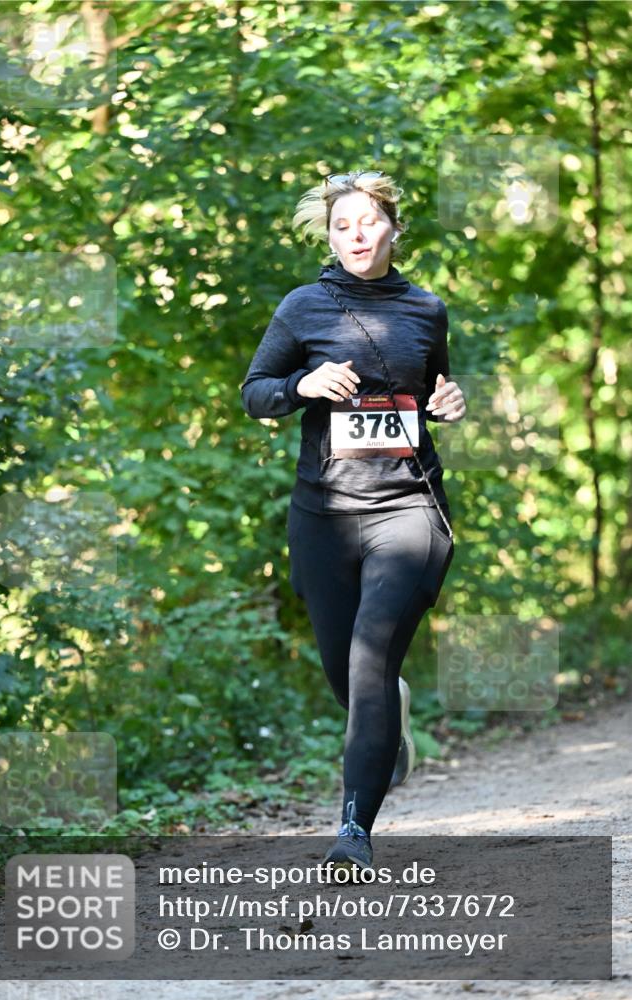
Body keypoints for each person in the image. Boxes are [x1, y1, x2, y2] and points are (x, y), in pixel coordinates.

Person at [240, 169, 466, 873]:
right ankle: (385, 717)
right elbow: (255, 393)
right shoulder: (303, 306)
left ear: (393, 228)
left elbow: (437, 389)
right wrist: (300, 385)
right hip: (323, 516)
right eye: (342, 225)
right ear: (329, 236)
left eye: (368, 221)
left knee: (370, 661)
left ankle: (351, 831)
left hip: (407, 510)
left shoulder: (425, 309)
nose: (356, 234)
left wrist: (449, 402)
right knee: (349, 677)